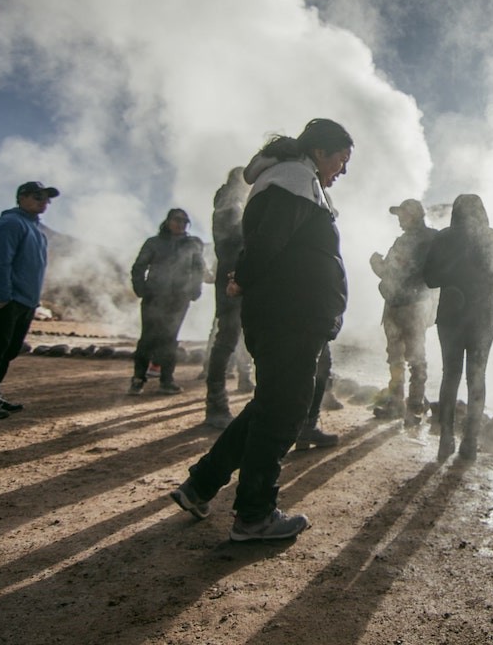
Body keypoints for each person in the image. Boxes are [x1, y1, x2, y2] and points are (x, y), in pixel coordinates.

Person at [169, 119, 353, 541]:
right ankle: (254, 515)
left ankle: (201, 486)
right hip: (290, 314)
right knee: (285, 410)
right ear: (320, 151)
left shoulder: (294, 179)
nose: (343, 170)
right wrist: (243, 278)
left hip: (287, 312)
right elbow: (269, 241)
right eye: (341, 159)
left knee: (270, 405)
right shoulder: (294, 179)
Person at [424, 194, 493, 462]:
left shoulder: (443, 238)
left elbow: (429, 278)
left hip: (450, 316)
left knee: (450, 375)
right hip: (483, 317)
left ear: (455, 212)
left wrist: (453, 279)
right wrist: (484, 285)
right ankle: (470, 442)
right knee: (477, 377)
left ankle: (446, 439)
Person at [0, 181, 58, 421]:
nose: (44, 202)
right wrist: (2, 296)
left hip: (25, 300)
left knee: (9, 349)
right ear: (21, 197)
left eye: (47, 198)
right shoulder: (9, 223)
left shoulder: (36, 230)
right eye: (38, 196)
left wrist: (33, 301)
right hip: (7, 299)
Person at [369, 199, 437, 422]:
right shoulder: (433, 238)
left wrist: (375, 263)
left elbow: (390, 273)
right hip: (414, 305)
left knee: (400, 358)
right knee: (412, 358)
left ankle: (404, 405)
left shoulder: (408, 241)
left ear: (413, 215)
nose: (399, 220)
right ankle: (412, 405)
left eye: (402, 215)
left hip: (405, 306)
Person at [128, 208, 206, 395]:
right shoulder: (154, 242)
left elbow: (199, 269)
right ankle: (138, 379)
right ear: (168, 221)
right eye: (177, 220)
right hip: (154, 297)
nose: (181, 224)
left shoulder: (192, 244)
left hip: (179, 298)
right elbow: (139, 267)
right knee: (148, 338)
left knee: (170, 339)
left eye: (185, 222)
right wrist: (141, 289)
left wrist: (195, 290)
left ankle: (166, 380)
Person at [201, 167, 251, 428]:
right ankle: (216, 404)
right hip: (234, 276)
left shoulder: (232, 203)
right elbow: (233, 241)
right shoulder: (230, 204)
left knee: (236, 335)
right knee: (228, 336)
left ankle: (238, 383)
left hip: (237, 274)